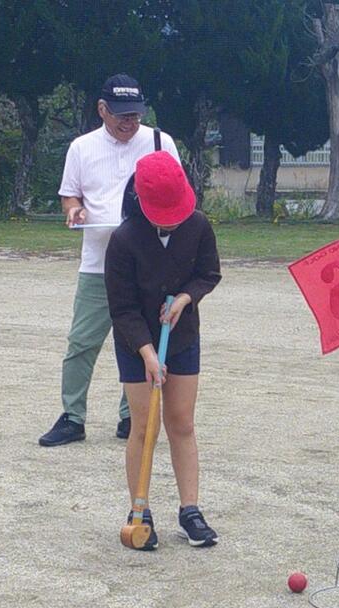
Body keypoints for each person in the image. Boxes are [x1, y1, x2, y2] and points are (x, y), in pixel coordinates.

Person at [38, 74, 181, 447]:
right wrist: (74, 211)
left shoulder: (160, 143)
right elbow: (70, 195)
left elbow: (177, 194)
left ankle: (131, 415)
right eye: (121, 114)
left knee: (143, 338)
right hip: (98, 261)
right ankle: (72, 416)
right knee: (82, 341)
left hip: (148, 262)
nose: (129, 122)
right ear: (102, 109)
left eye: (135, 114)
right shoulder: (81, 148)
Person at [104, 151, 222, 549]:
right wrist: (147, 354)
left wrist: (186, 298)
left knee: (182, 422)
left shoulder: (198, 225)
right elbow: (122, 309)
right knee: (144, 426)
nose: (171, 221)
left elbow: (208, 273)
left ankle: (190, 511)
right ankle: (140, 511)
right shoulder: (124, 240)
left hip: (181, 335)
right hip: (135, 341)